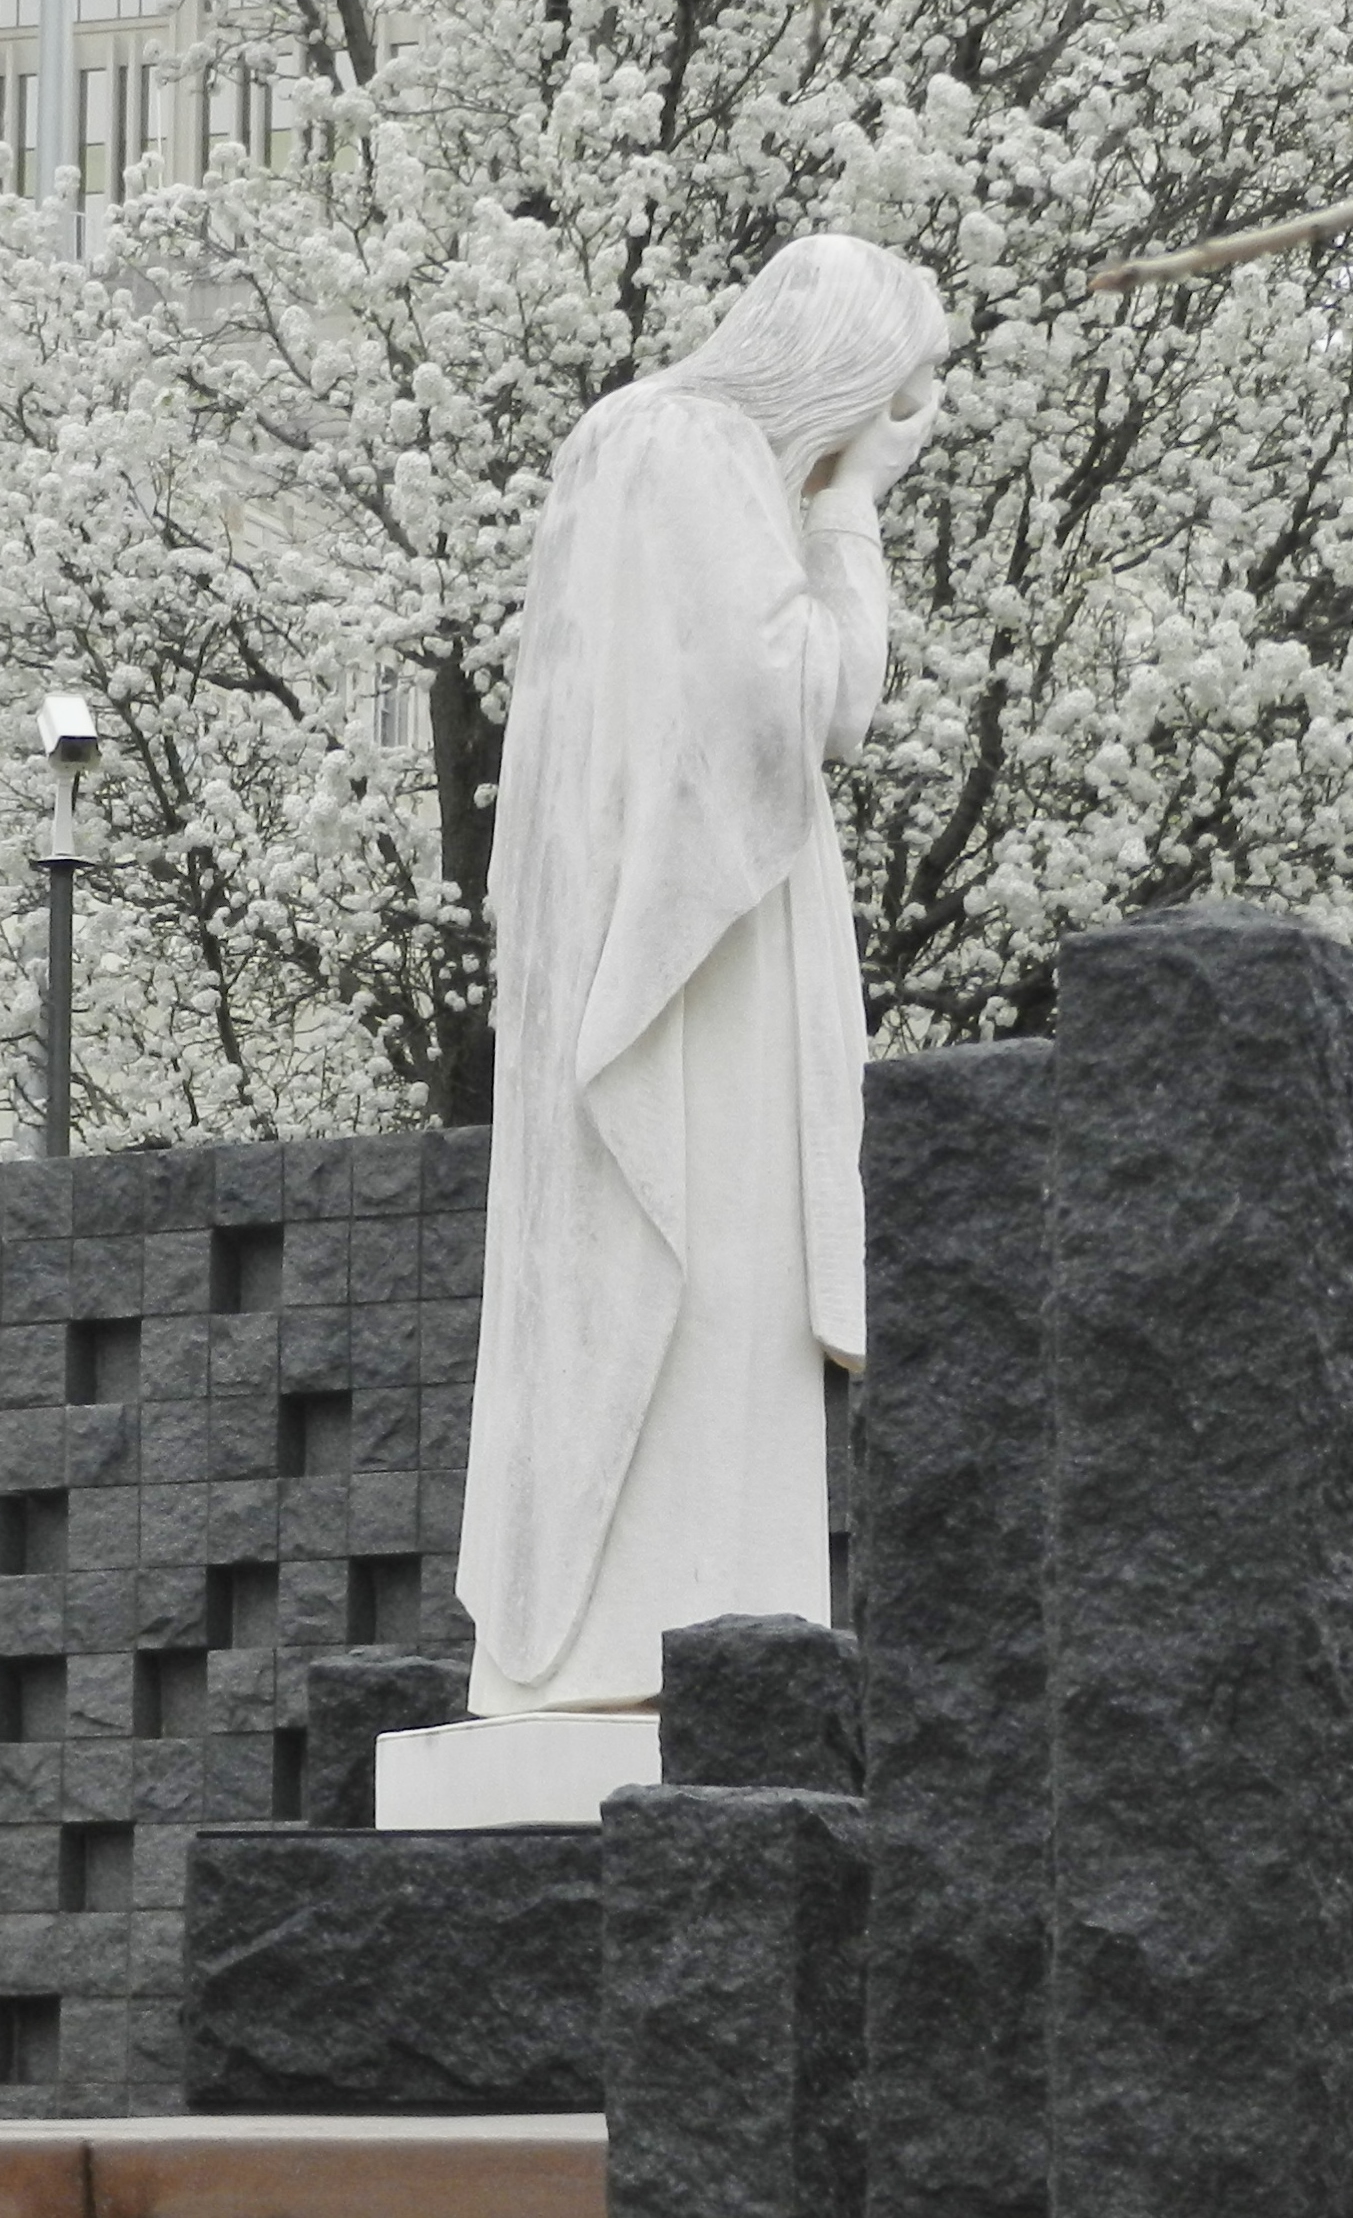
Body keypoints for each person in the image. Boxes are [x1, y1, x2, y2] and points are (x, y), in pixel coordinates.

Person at [459, 234, 946, 1716]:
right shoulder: (694, 442)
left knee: (719, 1293)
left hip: (698, 928)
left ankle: (678, 1639)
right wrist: (852, 513)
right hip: (694, 957)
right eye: (904, 396)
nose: (903, 430)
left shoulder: (649, 445)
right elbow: (806, 699)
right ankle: (647, 1648)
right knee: (696, 1269)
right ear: (850, 374)